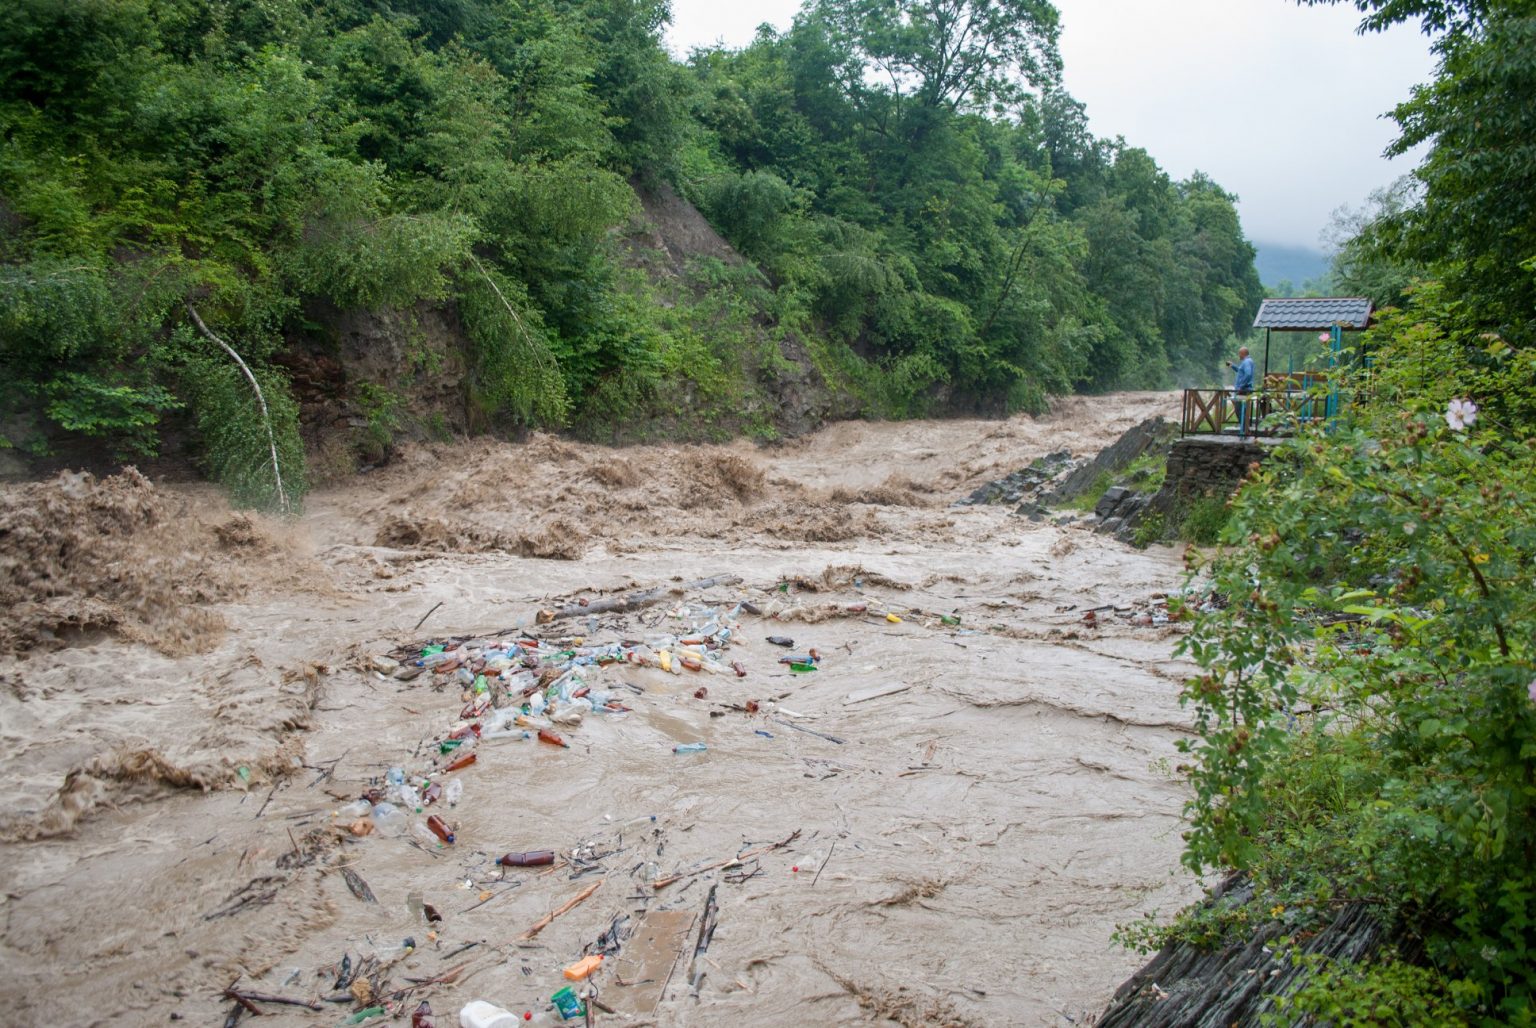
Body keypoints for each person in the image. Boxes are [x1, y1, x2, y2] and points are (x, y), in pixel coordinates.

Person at [1226, 346, 1255, 436]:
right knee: (1241, 409)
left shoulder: (1246, 362)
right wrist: (1233, 366)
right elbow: (1240, 371)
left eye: (1239, 353)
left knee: (1239, 409)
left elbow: (1248, 374)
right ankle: (1245, 429)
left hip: (1244, 390)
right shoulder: (1248, 362)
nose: (1239, 355)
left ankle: (1245, 430)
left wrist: (1241, 387)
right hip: (1244, 390)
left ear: (1243, 353)